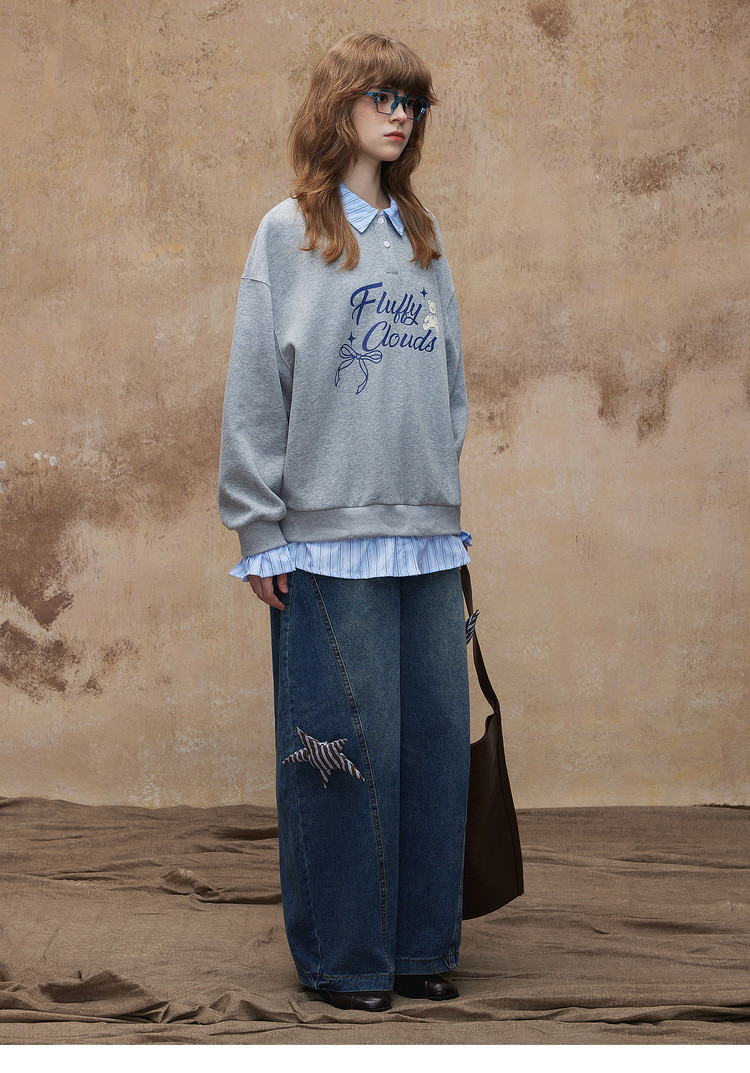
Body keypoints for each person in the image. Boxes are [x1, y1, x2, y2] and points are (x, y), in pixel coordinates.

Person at [218, 30, 472, 1013]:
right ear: (340, 105)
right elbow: (255, 385)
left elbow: (449, 383)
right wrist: (259, 527)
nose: (400, 115)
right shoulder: (288, 233)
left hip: (426, 533)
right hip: (324, 538)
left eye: (412, 102)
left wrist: (434, 490)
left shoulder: (420, 234)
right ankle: (345, 957)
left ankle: (421, 944)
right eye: (382, 97)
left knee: (431, 746)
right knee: (342, 752)